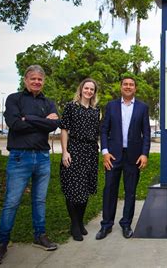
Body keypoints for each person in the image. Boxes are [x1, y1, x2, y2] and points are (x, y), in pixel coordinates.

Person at [0, 65, 59, 267]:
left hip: (43, 157)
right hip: (20, 158)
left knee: (39, 200)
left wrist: (29, 118)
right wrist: (42, 121)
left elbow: (54, 125)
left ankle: (40, 235)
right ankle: (2, 243)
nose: (37, 82)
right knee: (11, 202)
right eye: (33, 79)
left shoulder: (48, 102)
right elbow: (15, 125)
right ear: (25, 80)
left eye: (40, 79)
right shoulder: (14, 99)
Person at [96, 76, 151, 240]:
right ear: (121, 87)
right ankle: (106, 225)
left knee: (131, 192)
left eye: (131, 85)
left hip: (133, 157)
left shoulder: (142, 107)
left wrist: (144, 154)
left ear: (135, 88)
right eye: (125, 84)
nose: (128, 87)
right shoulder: (111, 106)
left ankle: (126, 224)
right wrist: (105, 151)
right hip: (112, 156)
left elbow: (146, 133)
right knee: (109, 190)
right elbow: (104, 130)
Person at [60, 78, 100, 241]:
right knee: (73, 188)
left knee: (85, 189)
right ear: (81, 89)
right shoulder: (71, 107)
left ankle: (80, 222)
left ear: (94, 93)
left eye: (92, 89)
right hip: (74, 150)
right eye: (86, 88)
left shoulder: (95, 111)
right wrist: (65, 152)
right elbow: (64, 130)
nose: (89, 91)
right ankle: (74, 224)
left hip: (90, 152)